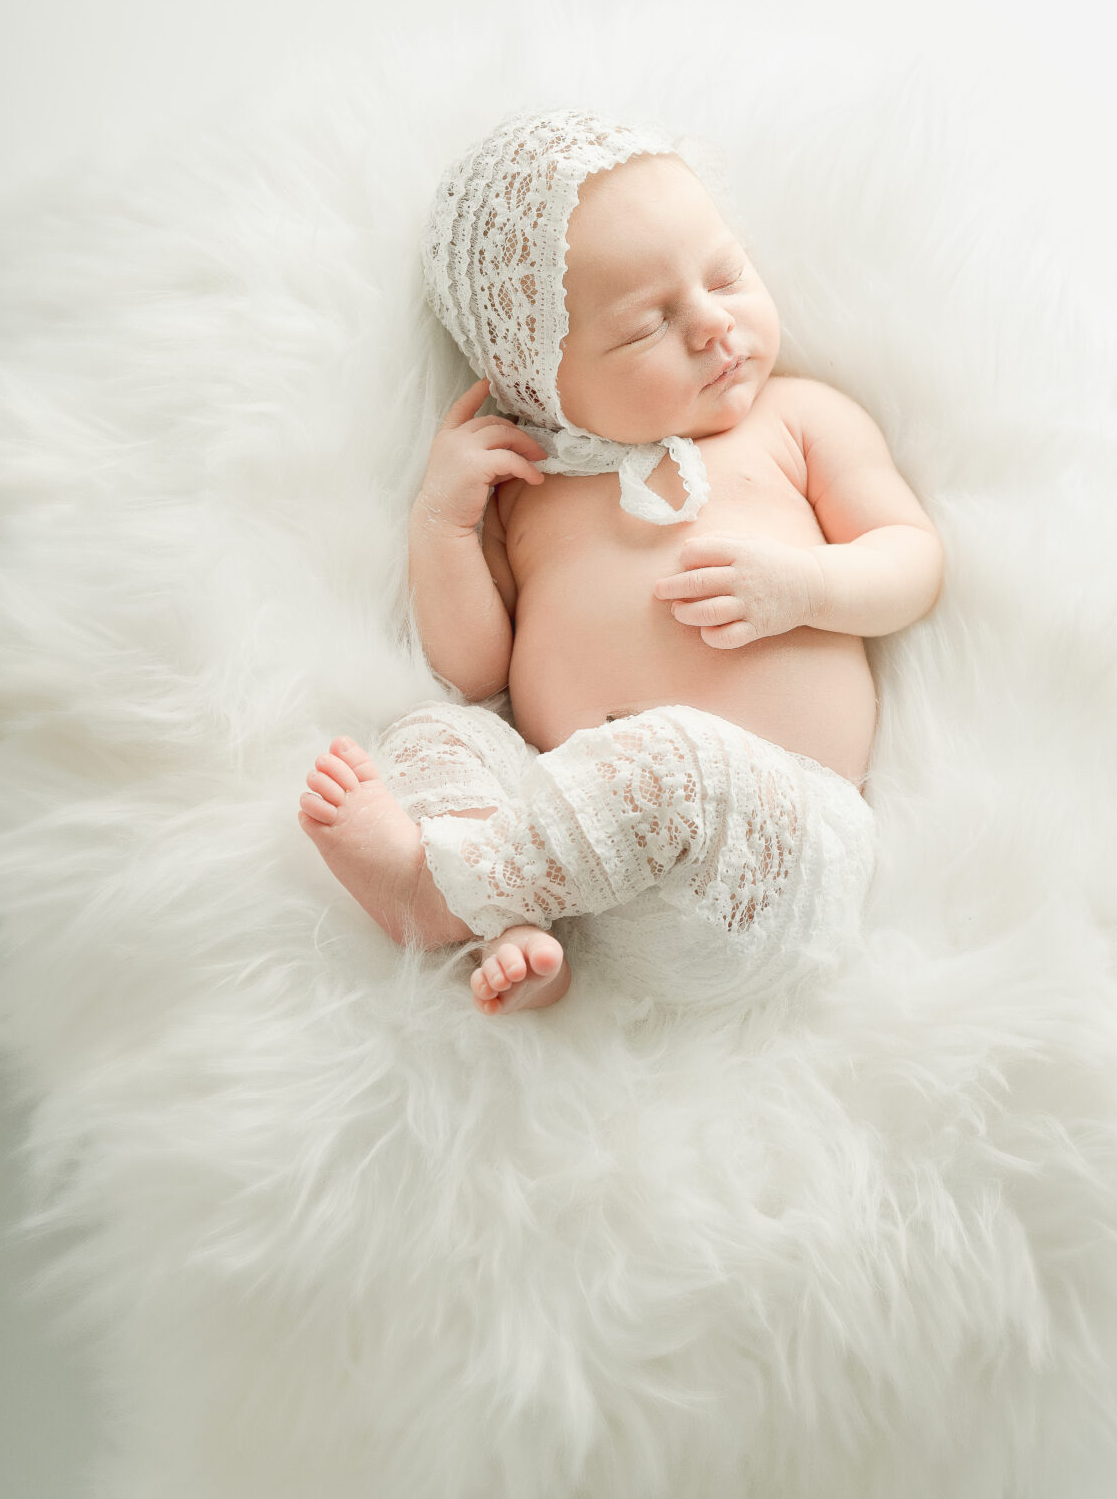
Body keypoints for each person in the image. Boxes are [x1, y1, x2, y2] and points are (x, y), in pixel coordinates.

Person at [297, 107, 944, 1015]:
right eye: (646, 326)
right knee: (439, 734)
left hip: (767, 854)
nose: (714, 324)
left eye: (726, 275)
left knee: (667, 759)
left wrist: (806, 588)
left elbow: (911, 560)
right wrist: (444, 521)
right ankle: (512, 926)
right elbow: (474, 672)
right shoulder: (528, 487)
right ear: (539, 378)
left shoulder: (795, 419)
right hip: (579, 865)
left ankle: (440, 892)